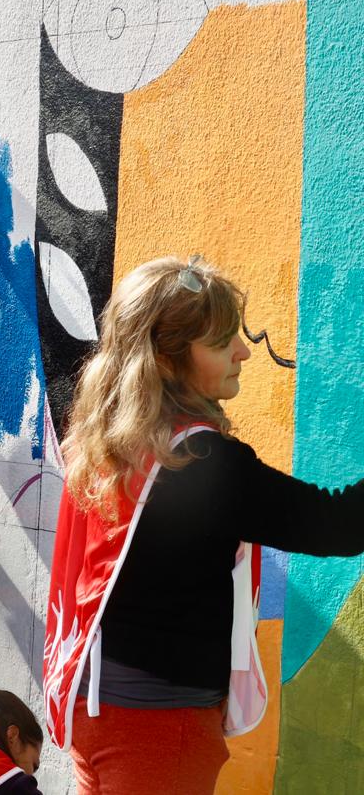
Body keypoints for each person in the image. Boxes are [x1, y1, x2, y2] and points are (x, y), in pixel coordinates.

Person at [43, 255, 364, 795]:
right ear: (167, 361)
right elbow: (337, 525)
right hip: (159, 729)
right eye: (220, 343)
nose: (243, 351)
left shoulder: (113, 439)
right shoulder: (201, 461)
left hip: (97, 708)